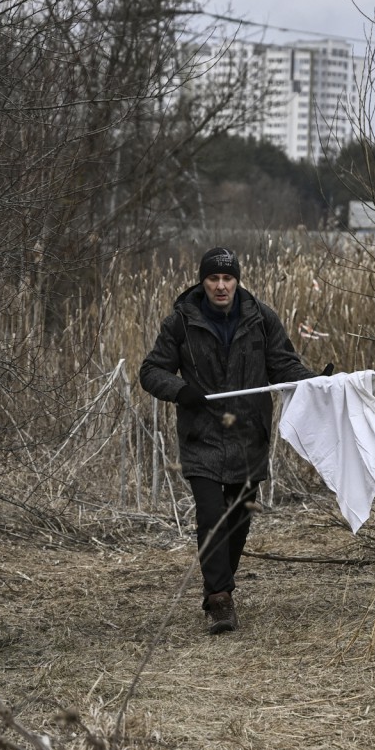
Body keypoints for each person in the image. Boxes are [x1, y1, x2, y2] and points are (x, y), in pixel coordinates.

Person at [139, 247, 318, 633]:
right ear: (202, 281)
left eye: (228, 278)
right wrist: (179, 389)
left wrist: (315, 381)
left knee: (238, 520)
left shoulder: (260, 318)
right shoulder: (181, 322)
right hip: (201, 435)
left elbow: (283, 363)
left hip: (249, 434)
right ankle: (220, 599)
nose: (221, 286)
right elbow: (151, 370)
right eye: (213, 279)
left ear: (237, 280)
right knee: (210, 516)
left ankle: (220, 587)